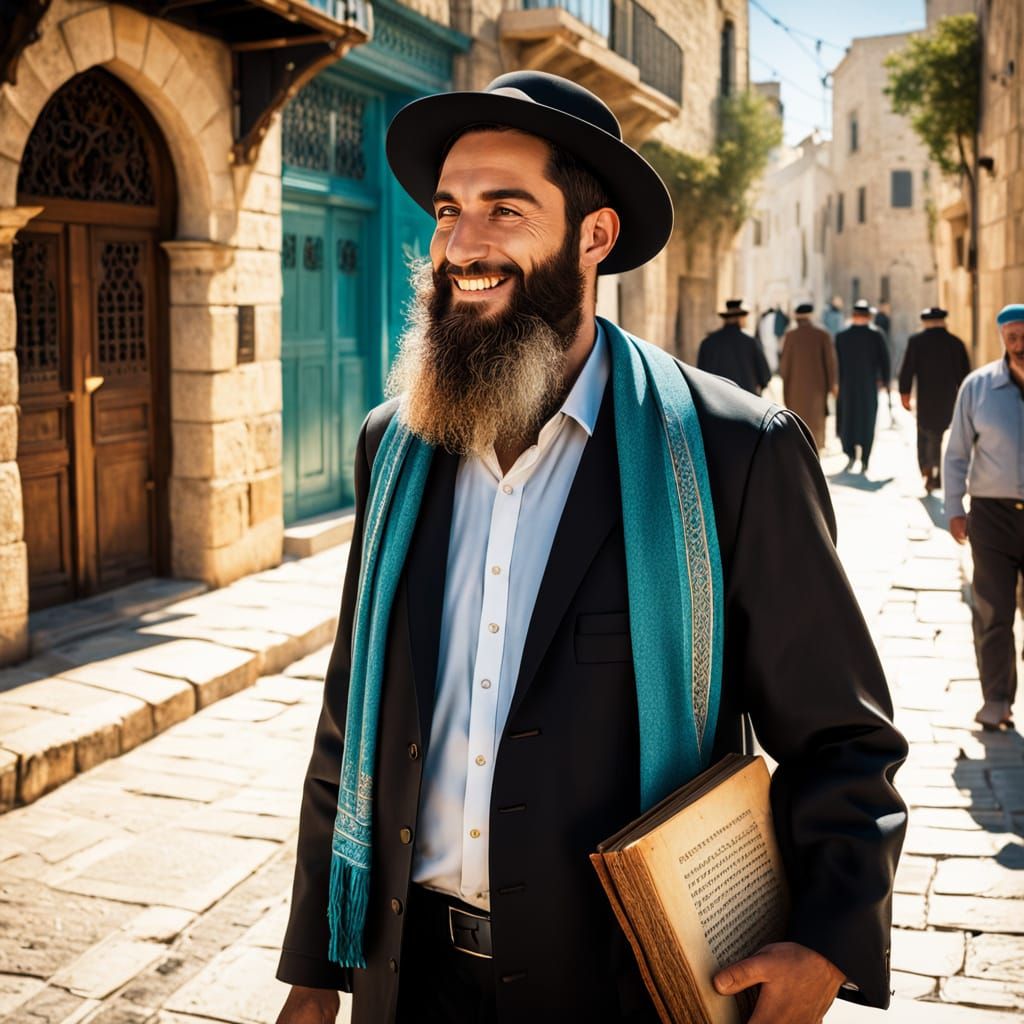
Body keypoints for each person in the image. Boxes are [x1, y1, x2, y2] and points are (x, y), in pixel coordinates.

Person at [274, 71, 907, 1024]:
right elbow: (350, 720)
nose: (461, 246)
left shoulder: (734, 452)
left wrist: (825, 938)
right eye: (449, 211)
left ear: (594, 235)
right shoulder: (392, 446)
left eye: (505, 209)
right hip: (404, 980)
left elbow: (844, 741)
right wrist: (318, 968)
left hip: (622, 986)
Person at [944, 303, 1024, 732]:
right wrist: (954, 507)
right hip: (991, 517)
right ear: (1002, 339)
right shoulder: (977, 388)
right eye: (1012, 336)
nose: (1019, 343)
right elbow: (956, 453)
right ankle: (996, 700)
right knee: (993, 611)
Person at [898, 307, 971, 492]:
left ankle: (927, 469)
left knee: (924, 433)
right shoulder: (955, 343)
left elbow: (907, 370)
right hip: (948, 397)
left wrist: (904, 393)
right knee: (940, 434)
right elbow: (965, 375)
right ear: (943, 321)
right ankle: (936, 472)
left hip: (925, 397)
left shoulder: (916, 342)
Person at [835, 299, 891, 473]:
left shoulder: (841, 337)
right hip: (868, 385)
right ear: (868, 317)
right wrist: (885, 381)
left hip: (847, 386)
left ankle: (850, 454)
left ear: (853, 316)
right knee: (867, 420)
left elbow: (835, 364)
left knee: (848, 419)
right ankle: (865, 459)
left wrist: (835, 384)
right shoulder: (876, 335)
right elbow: (885, 361)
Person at [779, 302, 838, 450]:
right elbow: (830, 364)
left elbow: (784, 367)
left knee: (797, 422)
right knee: (816, 424)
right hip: (818, 389)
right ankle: (816, 453)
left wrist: (785, 386)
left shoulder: (790, 336)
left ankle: (799, 452)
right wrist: (832, 386)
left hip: (795, 389)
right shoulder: (823, 335)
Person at [697, 299, 772, 395]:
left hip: (716, 398)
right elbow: (765, 375)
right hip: (745, 399)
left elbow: (700, 376)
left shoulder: (707, 343)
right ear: (739, 318)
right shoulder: (750, 343)